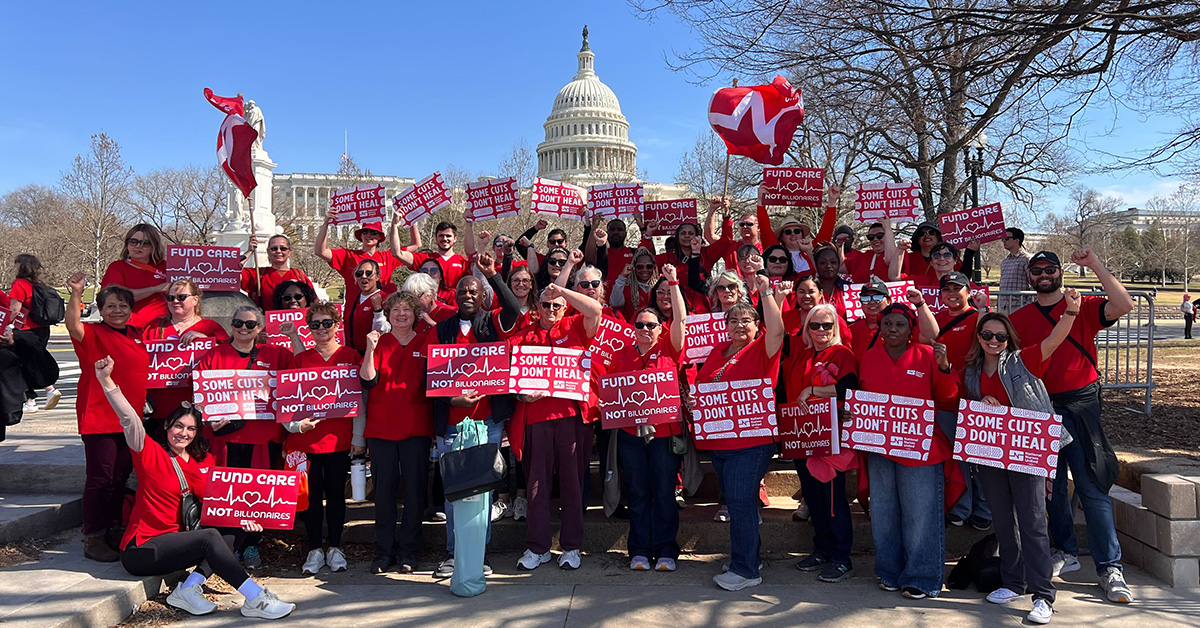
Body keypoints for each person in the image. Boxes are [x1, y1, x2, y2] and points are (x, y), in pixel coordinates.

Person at [93, 356, 295, 620]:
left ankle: (188, 588)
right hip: (143, 549)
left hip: (179, 542)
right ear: (167, 425)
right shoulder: (149, 452)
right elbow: (129, 418)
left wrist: (246, 518)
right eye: (178, 425)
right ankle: (255, 598)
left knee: (229, 529)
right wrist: (106, 380)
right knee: (210, 537)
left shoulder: (205, 461)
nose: (183, 433)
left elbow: (222, 504)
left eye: (190, 429)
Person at [1009, 249, 1136, 604]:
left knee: (1092, 487)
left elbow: (1124, 304)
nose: (1044, 275)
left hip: (1081, 405)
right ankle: (1063, 550)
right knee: (1050, 489)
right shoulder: (1019, 318)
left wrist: (1095, 264)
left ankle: (1110, 566)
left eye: (1050, 269)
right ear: (1029, 276)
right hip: (1039, 406)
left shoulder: (1083, 306)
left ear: (1060, 272)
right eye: (1037, 270)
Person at [961, 292, 1081, 626]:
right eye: (987, 335)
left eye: (1000, 335)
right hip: (990, 453)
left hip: (1026, 450)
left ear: (1008, 338)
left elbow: (1055, 340)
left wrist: (1071, 310)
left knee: (1032, 522)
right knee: (1002, 519)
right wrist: (983, 399)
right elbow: (969, 404)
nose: (993, 340)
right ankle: (1013, 581)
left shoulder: (1022, 360)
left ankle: (1043, 594)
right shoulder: (971, 371)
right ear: (979, 338)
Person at [430, 258, 525, 578]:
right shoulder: (442, 329)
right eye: (463, 292)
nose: (468, 295)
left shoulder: (494, 322)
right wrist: (451, 398)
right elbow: (428, 378)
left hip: (487, 423)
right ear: (455, 297)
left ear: (483, 297)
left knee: (482, 493)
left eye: (474, 292)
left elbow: (514, 308)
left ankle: (478, 554)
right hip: (452, 426)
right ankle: (453, 553)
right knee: (455, 492)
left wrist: (493, 275)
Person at [856, 303, 957, 599]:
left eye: (900, 324)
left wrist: (945, 368)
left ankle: (922, 577)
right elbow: (861, 398)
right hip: (879, 447)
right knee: (884, 512)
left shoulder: (927, 356)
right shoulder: (868, 357)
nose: (893, 330)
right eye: (887, 324)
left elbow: (948, 398)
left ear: (910, 329)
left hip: (920, 449)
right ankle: (888, 571)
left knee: (920, 514)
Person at [694, 269, 785, 591]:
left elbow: (777, 330)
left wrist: (767, 293)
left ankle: (746, 571)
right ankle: (746, 557)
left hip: (752, 442)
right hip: (721, 443)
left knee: (741, 502)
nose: (740, 325)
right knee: (735, 503)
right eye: (734, 320)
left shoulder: (763, 349)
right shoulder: (716, 354)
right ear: (725, 325)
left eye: (747, 320)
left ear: (757, 326)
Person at [511, 283, 603, 571]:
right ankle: (538, 548)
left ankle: (572, 547)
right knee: (536, 487)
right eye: (545, 305)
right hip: (536, 419)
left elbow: (595, 309)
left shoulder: (575, 326)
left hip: (572, 418)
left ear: (565, 307)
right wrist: (522, 395)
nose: (551, 310)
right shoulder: (523, 336)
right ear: (536, 307)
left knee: (572, 485)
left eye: (557, 306)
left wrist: (561, 290)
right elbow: (510, 377)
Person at [195, 306, 292, 570]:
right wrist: (209, 418)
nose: (244, 328)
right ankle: (231, 545)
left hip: (264, 438)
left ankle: (252, 544)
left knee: (258, 496)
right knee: (228, 496)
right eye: (238, 322)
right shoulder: (214, 356)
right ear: (231, 325)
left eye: (250, 324)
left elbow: (300, 373)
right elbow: (201, 397)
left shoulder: (276, 354)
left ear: (259, 329)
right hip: (227, 440)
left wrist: (293, 334)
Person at [65, 272, 149, 562]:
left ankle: (114, 527)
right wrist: (76, 294)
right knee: (100, 478)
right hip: (100, 416)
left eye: (123, 305)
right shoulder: (93, 334)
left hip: (130, 418)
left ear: (130, 308)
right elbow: (73, 325)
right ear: (101, 310)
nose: (117, 310)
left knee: (120, 476)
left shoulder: (136, 335)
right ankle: (94, 535)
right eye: (110, 305)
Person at [610, 264, 687, 572]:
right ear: (633, 328)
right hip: (631, 435)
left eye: (651, 325)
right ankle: (639, 550)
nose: (645, 329)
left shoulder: (670, 348)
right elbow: (611, 392)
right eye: (640, 324)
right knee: (639, 494)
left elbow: (680, 319)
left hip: (665, 434)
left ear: (660, 329)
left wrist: (673, 283)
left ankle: (667, 550)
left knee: (664, 493)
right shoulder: (621, 356)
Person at [283, 303, 361, 575]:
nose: (321, 329)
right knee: (311, 497)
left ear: (337, 324)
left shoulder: (351, 356)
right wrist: (297, 426)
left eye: (326, 323)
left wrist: (359, 437)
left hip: (339, 440)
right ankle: (315, 548)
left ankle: (336, 547)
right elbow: (286, 400)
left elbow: (360, 401)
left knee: (337, 495)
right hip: (305, 443)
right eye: (315, 325)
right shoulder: (300, 360)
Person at [359, 293, 433, 574]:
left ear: (415, 314)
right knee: (384, 493)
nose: (401, 314)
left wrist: (430, 319)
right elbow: (368, 380)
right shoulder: (380, 343)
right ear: (388, 315)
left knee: (414, 493)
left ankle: (409, 552)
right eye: (396, 310)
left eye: (407, 309)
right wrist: (369, 349)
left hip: (416, 428)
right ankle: (384, 552)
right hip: (381, 429)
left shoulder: (427, 341)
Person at [785, 303, 859, 583]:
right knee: (813, 497)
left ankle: (842, 558)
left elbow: (851, 386)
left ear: (835, 327)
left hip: (829, 439)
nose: (820, 330)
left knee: (832, 500)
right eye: (814, 325)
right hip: (801, 437)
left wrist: (814, 389)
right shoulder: (802, 354)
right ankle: (822, 549)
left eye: (827, 325)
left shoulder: (842, 353)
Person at [931, 271, 991, 530]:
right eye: (947, 289)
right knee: (957, 458)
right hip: (946, 398)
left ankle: (986, 508)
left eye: (958, 288)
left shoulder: (979, 316)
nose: (952, 294)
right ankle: (961, 506)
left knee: (979, 456)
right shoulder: (936, 319)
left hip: (975, 395)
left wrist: (983, 308)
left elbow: (993, 337)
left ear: (968, 291)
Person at [141, 279, 228, 440]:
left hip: (196, 410)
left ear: (195, 299)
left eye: (181, 297)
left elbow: (228, 359)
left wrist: (206, 341)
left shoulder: (211, 328)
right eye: (170, 298)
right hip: (158, 411)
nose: (175, 301)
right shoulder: (154, 327)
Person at [8, 254, 60, 412]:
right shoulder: (40, 284)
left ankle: (43, 392)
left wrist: (5, 324)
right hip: (42, 328)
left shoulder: (19, 284)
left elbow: (14, 309)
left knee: (18, 362)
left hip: (25, 329)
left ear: (21, 266)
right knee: (30, 361)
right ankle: (34, 398)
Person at [315, 214, 400, 301]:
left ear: (380, 237)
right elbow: (320, 251)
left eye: (373, 232)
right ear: (360, 235)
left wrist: (409, 220)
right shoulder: (348, 255)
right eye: (365, 231)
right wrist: (325, 223)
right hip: (355, 310)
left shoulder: (388, 256)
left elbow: (414, 246)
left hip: (382, 310)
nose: (369, 235)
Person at [102, 223, 169, 328]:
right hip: (129, 327)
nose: (138, 246)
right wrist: (155, 289)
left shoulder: (168, 266)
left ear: (153, 246)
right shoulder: (117, 267)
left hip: (162, 328)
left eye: (145, 243)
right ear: (127, 244)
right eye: (133, 242)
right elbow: (115, 298)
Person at [241, 234, 313, 310]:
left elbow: (314, 302)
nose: (278, 251)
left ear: (289, 252)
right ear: (268, 251)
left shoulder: (299, 275)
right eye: (274, 249)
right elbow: (231, 272)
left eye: (283, 248)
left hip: (296, 320)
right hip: (265, 320)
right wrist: (249, 251)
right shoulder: (257, 274)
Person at [406, 221, 470, 290]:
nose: (445, 239)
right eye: (441, 236)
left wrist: (469, 223)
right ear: (436, 239)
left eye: (448, 236)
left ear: (455, 239)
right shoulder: (426, 259)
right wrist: (412, 222)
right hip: (430, 299)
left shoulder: (463, 262)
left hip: (454, 300)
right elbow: (398, 254)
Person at [341, 260, 388, 353]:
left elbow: (384, 331)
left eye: (369, 273)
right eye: (359, 273)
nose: (364, 276)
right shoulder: (352, 298)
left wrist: (378, 310)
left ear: (377, 276)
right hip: (351, 353)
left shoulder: (385, 299)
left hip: (372, 353)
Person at [610, 248, 658, 321]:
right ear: (634, 267)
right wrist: (622, 277)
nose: (644, 269)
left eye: (649, 266)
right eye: (640, 266)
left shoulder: (659, 287)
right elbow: (615, 304)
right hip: (631, 329)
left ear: (654, 267)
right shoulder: (626, 287)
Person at [998, 228, 1033, 313]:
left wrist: (1028, 305)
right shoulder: (1004, 261)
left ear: (1017, 240)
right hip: (1003, 306)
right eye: (1002, 239)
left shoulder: (1027, 259)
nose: (1003, 241)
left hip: (1019, 305)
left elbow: (1034, 284)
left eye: (1006, 238)